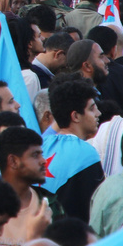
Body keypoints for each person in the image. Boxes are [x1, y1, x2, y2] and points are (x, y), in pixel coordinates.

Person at [0, 127, 53, 246]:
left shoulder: (50, 204)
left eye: (41, 154)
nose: (43, 161)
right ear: (13, 161)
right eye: (35, 155)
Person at [41, 80, 104, 222]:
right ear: (75, 116)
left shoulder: (40, 145)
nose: (98, 113)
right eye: (92, 108)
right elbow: (93, 212)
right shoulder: (87, 153)